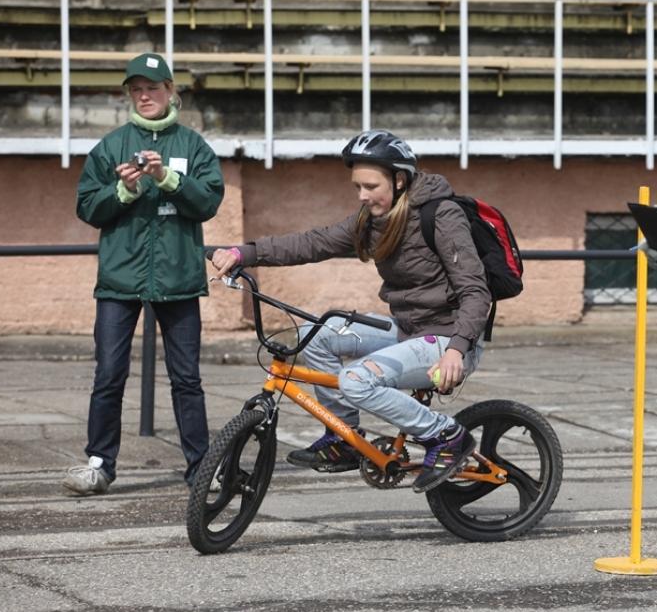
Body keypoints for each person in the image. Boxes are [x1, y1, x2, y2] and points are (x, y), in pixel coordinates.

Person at [210, 129, 489, 493]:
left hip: (450, 339)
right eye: (358, 186)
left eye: (371, 186)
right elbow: (314, 243)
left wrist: (456, 350)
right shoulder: (372, 220)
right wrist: (242, 253)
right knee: (320, 334)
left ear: (400, 179)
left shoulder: (442, 215)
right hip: (408, 329)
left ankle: (447, 437)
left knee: (355, 380)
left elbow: (475, 291)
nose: (362, 195)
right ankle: (343, 440)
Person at [64, 53, 225, 495]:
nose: (144, 95)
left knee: (187, 379)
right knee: (109, 374)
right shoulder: (111, 145)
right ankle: (99, 463)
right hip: (119, 279)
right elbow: (88, 208)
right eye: (136, 89)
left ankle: (199, 467)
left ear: (170, 90)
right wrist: (126, 188)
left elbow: (209, 201)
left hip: (178, 278)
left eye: (153, 87)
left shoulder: (193, 146)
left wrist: (167, 179)